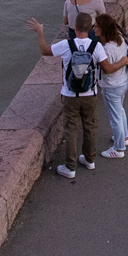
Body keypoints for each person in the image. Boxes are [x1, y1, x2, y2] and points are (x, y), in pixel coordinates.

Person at [28, 13, 101, 179]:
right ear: (90, 28)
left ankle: (70, 166)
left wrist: (40, 32)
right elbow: (104, 65)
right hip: (90, 94)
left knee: (71, 128)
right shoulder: (96, 46)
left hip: (70, 94)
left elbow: (45, 51)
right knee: (90, 126)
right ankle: (90, 159)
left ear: (75, 28)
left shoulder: (66, 45)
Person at [93, 12, 128, 158]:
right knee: (120, 111)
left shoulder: (106, 49)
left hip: (112, 86)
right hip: (123, 81)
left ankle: (119, 148)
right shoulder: (120, 39)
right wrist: (122, 62)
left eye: (96, 27)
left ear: (103, 29)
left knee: (115, 118)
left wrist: (121, 62)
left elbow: (107, 69)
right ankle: (124, 137)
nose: (94, 29)